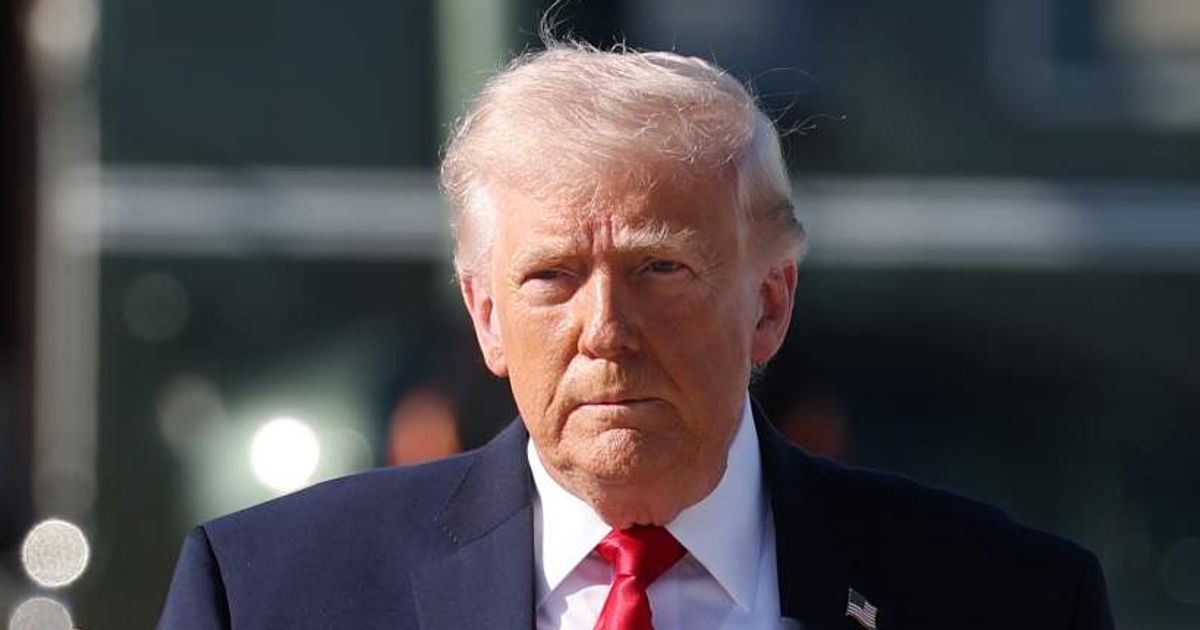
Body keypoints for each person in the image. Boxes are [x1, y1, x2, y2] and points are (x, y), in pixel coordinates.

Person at [156, 40, 1114, 630]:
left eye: (660, 270)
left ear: (770, 305)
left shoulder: (1009, 600)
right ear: (486, 315)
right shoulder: (273, 594)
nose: (605, 331)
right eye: (552, 278)